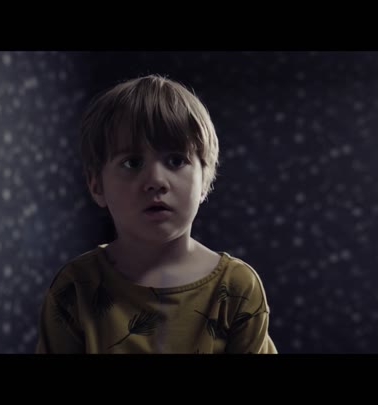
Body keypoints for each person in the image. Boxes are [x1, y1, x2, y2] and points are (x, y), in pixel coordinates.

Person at [36, 74, 277, 353]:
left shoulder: (236, 288)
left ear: (205, 181)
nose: (156, 180)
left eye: (176, 160)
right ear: (96, 185)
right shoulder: (75, 288)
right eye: (132, 162)